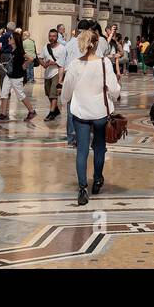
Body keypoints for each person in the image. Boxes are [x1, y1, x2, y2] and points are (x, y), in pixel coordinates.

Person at [60, 18, 121, 205]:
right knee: (100, 147)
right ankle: (97, 179)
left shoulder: (75, 65)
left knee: (82, 151)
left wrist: (65, 101)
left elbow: (67, 90)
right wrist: (115, 96)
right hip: (100, 113)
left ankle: (82, 188)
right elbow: (113, 89)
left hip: (80, 113)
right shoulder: (104, 64)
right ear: (96, 45)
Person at [41, 28, 63, 120]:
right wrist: (44, 64)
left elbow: (63, 63)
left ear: (57, 37)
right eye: (50, 36)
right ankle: (56, 109)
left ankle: (52, 113)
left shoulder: (62, 48)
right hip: (47, 73)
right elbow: (40, 58)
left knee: (53, 94)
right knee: (48, 94)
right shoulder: (45, 47)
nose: (52, 38)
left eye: (54, 36)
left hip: (56, 72)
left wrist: (52, 63)